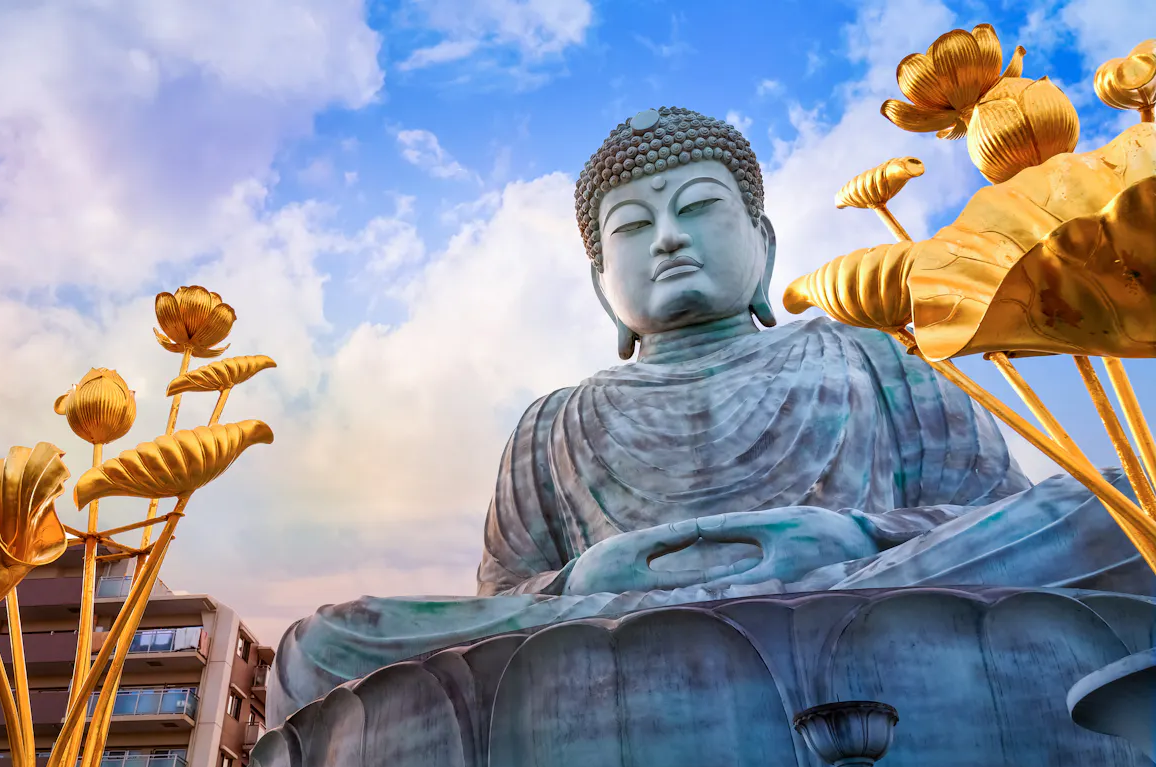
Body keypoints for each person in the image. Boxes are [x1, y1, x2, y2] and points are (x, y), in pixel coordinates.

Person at [268, 107, 1151, 724]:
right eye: (631, 227)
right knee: (328, 644)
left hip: (861, 610)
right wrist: (582, 583)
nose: (668, 239)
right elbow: (509, 600)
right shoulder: (552, 423)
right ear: (600, 286)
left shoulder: (873, 355)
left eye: (697, 209)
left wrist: (853, 539)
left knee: (1111, 511)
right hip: (608, 650)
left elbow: (996, 523)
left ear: (763, 246)